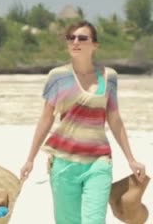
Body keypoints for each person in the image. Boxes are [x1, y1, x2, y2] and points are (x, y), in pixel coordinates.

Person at [20, 20, 147, 223]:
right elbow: (45, 119)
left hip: (99, 162)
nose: (75, 42)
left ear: (94, 45)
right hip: (63, 163)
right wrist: (30, 159)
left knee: (94, 221)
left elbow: (115, 120)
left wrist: (131, 159)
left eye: (82, 38)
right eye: (71, 38)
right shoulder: (58, 77)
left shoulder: (109, 77)